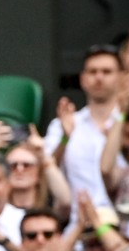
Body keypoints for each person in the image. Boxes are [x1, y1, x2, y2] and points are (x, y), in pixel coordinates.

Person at [44, 45, 122, 228]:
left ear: (121, 77)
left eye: (107, 71)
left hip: (127, 228)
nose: (99, 77)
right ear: (83, 79)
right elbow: (45, 171)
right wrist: (65, 139)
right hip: (77, 230)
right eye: (93, 72)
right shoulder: (62, 124)